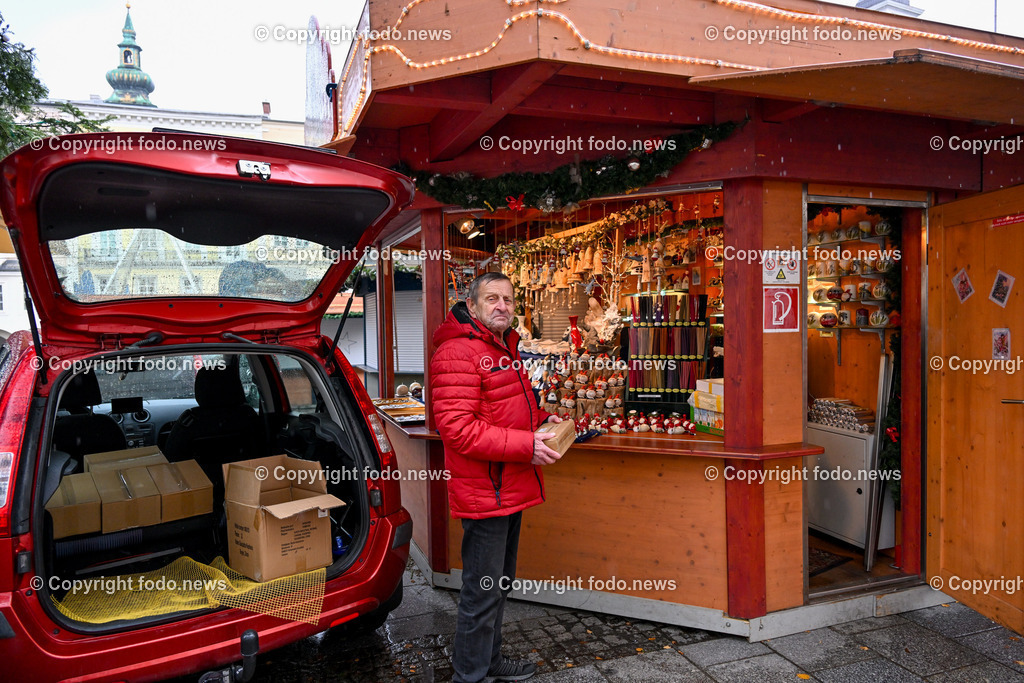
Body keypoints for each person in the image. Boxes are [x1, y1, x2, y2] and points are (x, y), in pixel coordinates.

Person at [430, 272, 564, 683]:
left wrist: (543, 420)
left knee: (497, 584)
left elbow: (507, 410)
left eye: (507, 298)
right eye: (492, 298)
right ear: (472, 306)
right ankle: (469, 675)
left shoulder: (503, 347)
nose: (502, 305)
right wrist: (526, 445)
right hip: (486, 491)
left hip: (508, 487)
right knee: (482, 591)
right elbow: (458, 429)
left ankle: (489, 662)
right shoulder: (457, 352)